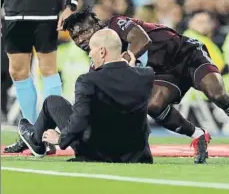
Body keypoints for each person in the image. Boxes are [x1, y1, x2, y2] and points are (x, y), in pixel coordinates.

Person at [63, 9, 229, 165]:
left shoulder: (116, 24)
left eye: (84, 31)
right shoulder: (97, 61)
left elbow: (141, 39)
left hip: (185, 53)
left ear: (96, 24)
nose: (81, 39)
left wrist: (127, 58)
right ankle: (198, 134)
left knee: (217, 94)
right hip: (164, 72)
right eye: (75, 37)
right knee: (153, 106)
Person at [17, 29, 154, 163]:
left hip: (98, 153)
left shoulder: (88, 80)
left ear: (102, 51)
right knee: (54, 102)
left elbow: (80, 120)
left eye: (91, 50)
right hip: (136, 154)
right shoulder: (146, 75)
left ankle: (36, 140)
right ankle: (35, 138)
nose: (89, 55)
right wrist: (132, 68)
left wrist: (60, 139)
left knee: (51, 102)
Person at [2, 0, 81, 153]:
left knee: (48, 69)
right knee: (17, 72)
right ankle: (31, 134)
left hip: (46, 11)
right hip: (14, 11)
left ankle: (47, 134)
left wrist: (71, 3)